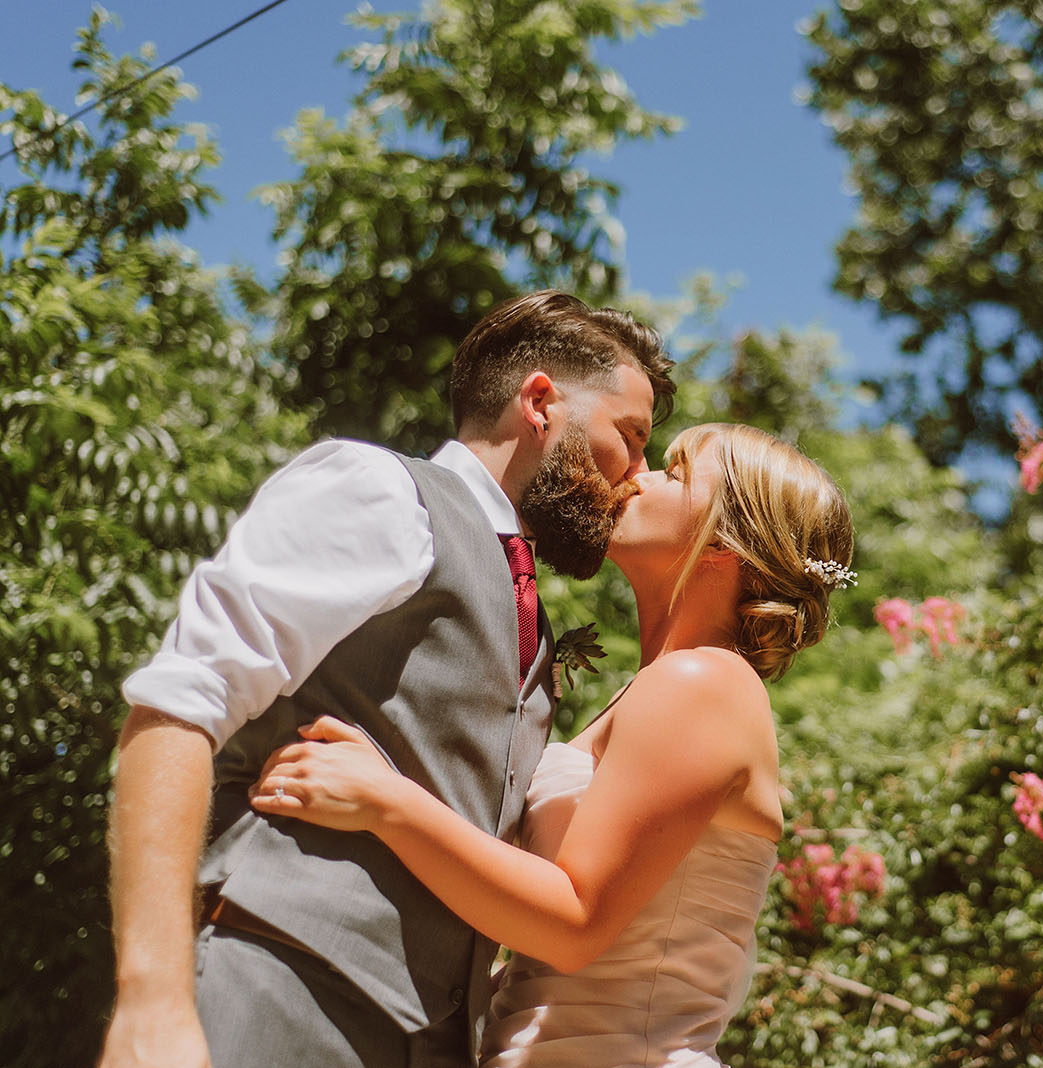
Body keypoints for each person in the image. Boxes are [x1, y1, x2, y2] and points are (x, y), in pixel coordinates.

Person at [98, 291, 676, 1068]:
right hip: (274, 989)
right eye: (630, 437)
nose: (636, 475)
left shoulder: (525, 605)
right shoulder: (378, 489)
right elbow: (179, 703)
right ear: (540, 403)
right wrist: (153, 999)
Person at [247, 422, 855, 1068]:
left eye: (672, 474)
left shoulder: (702, 681)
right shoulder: (661, 687)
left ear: (726, 545)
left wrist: (384, 800)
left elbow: (575, 924)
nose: (636, 476)